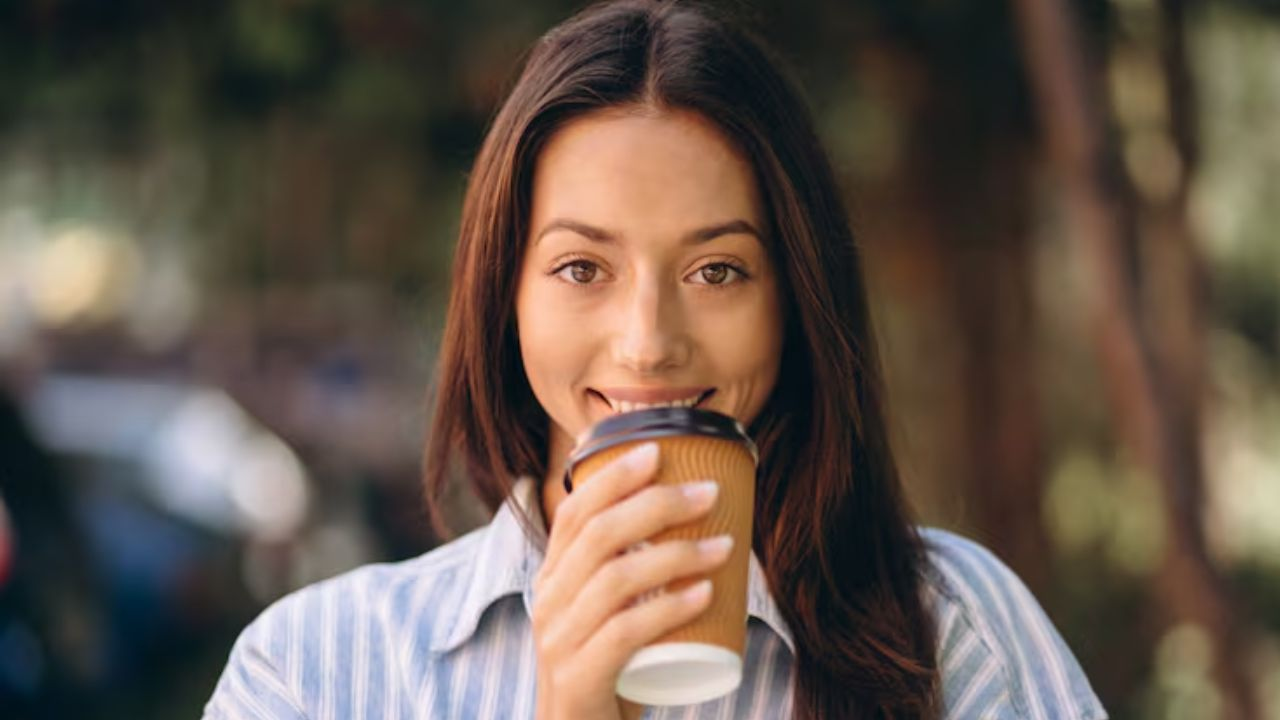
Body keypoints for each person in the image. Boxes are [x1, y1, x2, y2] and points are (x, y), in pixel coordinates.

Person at [203, 1, 1107, 718]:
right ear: (503, 294)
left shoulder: (951, 634)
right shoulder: (314, 671)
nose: (648, 340)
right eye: (581, 267)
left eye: (718, 270)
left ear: (795, 298)